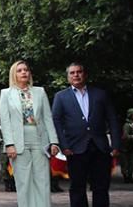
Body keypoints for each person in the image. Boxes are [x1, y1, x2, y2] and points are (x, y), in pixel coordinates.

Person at [52, 62, 121, 207]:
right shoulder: (61, 97)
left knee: (101, 187)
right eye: (72, 73)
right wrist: (63, 145)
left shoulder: (100, 94)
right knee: (77, 188)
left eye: (79, 72)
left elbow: (112, 119)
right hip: (74, 149)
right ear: (68, 77)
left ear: (85, 74)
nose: (76, 75)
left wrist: (115, 145)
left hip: (100, 148)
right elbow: (56, 122)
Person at [0, 60, 59, 207]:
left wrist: (54, 141)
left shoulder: (40, 92)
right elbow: (5, 121)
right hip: (18, 142)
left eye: (26, 70)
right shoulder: (6, 94)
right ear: (14, 74)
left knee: (42, 180)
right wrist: (9, 144)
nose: (24, 72)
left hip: (40, 140)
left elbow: (47, 118)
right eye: (19, 70)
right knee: (23, 181)